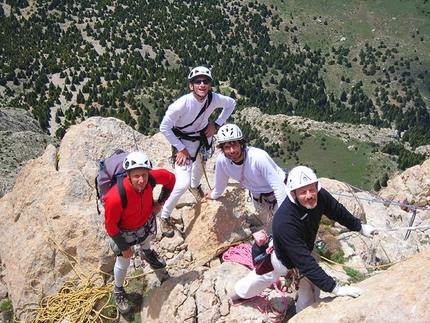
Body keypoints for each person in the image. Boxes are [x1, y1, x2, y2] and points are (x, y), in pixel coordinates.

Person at [230, 166, 375, 313]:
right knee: (259, 280)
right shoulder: (285, 220)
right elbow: (304, 261)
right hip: (281, 260)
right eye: (303, 192)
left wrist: (360, 227)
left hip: (302, 253)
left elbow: (337, 211)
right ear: (293, 194)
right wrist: (335, 288)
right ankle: (238, 294)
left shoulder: (320, 196)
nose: (309, 195)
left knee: (309, 299)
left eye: (311, 189)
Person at [159, 66, 236, 237]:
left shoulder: (213, 98)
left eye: (205, 81)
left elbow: (231, 104)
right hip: (183, 142)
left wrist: (216, 124)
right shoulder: (180, 105)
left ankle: (195, 187)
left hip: (202, 139)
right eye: (197, 81)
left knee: (200, 168)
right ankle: (164, 216)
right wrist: (181, 149)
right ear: (191, 85)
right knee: (182, 183)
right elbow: (164, 127)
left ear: (209, 84)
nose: (202, 84)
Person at [104, 151, 175, 314]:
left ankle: (148, 253)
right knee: (123, 263)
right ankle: (118, 289)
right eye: (136, 176)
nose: (141, 180)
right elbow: (110, 226)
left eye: (144, 174)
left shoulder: (151, 179)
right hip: (124, 232)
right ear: (127, 175)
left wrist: (160, 202)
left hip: (144, 222)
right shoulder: (115, 197)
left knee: (147, 240)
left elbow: (170, 179)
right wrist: (124, 247)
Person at [205, 124, 288, 234]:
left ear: (241, 144)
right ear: (222, 149)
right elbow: (221, 181)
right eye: (227, 147)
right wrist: (214, 194)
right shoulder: (222, 161)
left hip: (279, 192)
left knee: (283, 227)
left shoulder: (257, 157)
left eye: (234, 145)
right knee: (269, 227)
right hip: (259, 198)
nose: (232, 151)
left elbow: (278, 187)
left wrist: (284, 213)